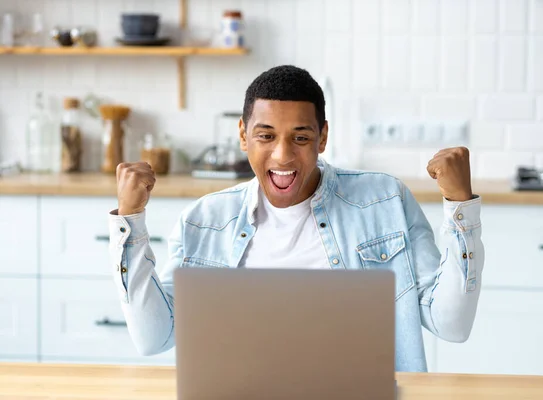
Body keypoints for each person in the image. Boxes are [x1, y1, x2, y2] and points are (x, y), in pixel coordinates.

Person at [109, 65, 485, 372]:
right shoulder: (205, 221)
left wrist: (459, 206)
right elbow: (153, 338)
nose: (283, 156)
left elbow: (451, 324)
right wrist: (130, 221)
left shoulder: (385, 201)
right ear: (243, 135)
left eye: (301, 138)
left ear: (323, 137)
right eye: (266, 136)